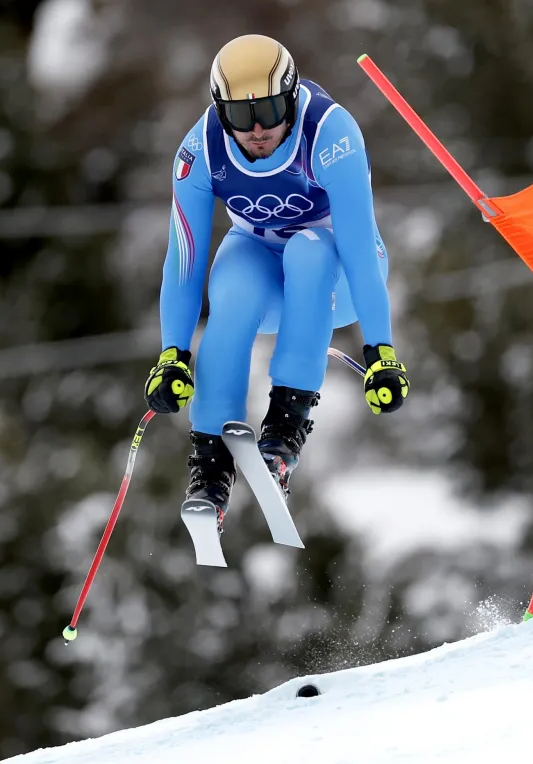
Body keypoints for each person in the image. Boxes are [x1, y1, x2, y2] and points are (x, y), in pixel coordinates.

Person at [143, 33, 409, 526]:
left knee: (309, 252)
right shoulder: (199, 151)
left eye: (269, 109)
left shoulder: (331, 133)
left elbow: (356, 247)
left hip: (340, 279)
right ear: (222, 112)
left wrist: (381, 349)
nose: (259, 128)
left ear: (290, 96)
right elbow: (184, 259)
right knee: (233, 282)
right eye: (242, 116)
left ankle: (286, 428)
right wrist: (172, 355)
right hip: (265, 276)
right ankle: (210, 467)